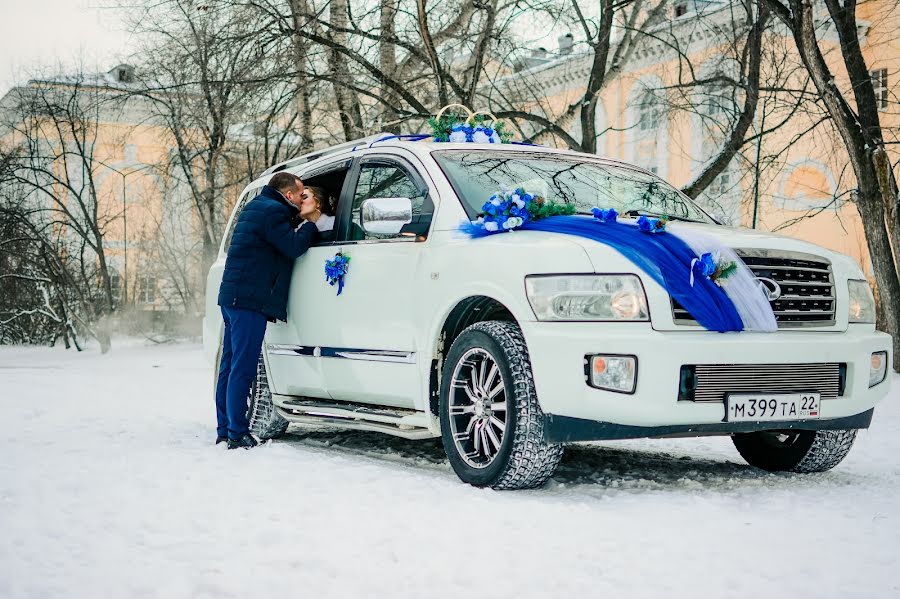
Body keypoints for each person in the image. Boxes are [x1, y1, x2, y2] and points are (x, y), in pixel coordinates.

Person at [215, 172, 320, 449]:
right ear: (288, 195)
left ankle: (225, 428)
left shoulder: (260, 207)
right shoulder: (273, 212)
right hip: (249, 301)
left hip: (234, 298)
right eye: (300, 195)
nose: (302, 199)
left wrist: (298, 217)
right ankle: (237, 434)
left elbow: (278, 234)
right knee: (243, 367)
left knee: (229, 366)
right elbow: (293, 246)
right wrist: (310, 220)